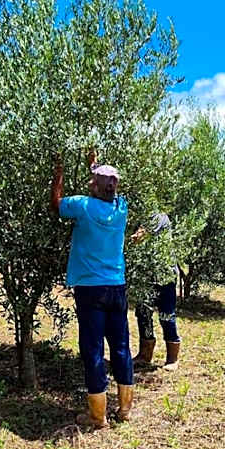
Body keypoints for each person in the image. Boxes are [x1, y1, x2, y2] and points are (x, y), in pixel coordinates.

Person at [50, 151, 133, 429]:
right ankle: (124, 410)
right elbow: (105, 185)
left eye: (93, 181)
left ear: (95, 187)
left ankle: (98, 417)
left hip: (90, 290)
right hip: (117, 287)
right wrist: (94, 166)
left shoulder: (83, 206)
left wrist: (59, 172)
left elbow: (56, 204)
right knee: (121, 347)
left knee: (93, 349)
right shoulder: (121, 207)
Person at [131, 213, 181, 372]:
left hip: (165, 275)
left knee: (166, 315)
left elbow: (141, 234)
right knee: (143, 312)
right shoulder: (137, 217)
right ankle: (145, 355)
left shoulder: (159, 217)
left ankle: (172, 358)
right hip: (146, 275)